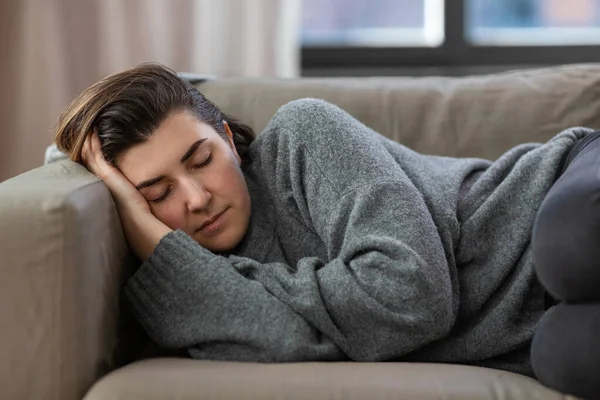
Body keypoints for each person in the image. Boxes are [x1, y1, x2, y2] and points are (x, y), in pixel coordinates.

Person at [54, 63, 600, 399]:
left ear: (227, 137)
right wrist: (167, 253)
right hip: (534, 329)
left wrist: (273, 298)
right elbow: (294, 345)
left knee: (568, 249)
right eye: (157, 195)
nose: (197, 199)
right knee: (571, 357)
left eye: (201, 160)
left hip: (556, 195)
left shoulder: (302, 135)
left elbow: (411, 294)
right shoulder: (188, 290)